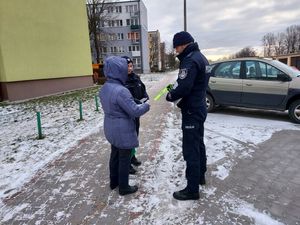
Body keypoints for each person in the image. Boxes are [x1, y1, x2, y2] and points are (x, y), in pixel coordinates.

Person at [166, 31, 209, 200]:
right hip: (199, 108)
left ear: (183, 44)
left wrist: (171, 95)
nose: (176, 50)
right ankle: (200, 176)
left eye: (176, 46)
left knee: (190, 148)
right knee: (199, 143)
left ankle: (192, 189)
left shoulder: (190, 60)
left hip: (191, 110)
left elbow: (184, 87)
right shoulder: (201, 57)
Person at [99, 56, 150, 196]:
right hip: (122, 129)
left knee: (114, 154)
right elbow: (134, 111)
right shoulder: (121, 91)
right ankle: (124, 187)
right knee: (124, 158)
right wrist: (146, 106)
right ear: (119, 71)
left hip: (110, 126)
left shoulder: (105, 88)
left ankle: (113, 181)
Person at [122, 56, 149, 174]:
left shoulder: (136, 78)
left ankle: (132, 157)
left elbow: (144, 91)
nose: (129, 68)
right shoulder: (121, 81)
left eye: (131, 66)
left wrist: (143, 100)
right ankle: (126, 163)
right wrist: (136, 104)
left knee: (134, 136)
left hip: (136, 113)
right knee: (127, 139)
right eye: (127, 66)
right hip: (127, 116)